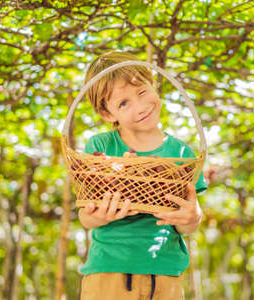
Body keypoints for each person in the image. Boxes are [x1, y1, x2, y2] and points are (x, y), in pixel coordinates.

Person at [78, 51, 207, 300]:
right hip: (109, 271)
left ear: (153, 84)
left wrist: (192, 217)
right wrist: (100, 217)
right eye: (123, 103)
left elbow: (188, 222)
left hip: (165, 274)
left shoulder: (181, 154)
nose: (140, 107)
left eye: (142, 92)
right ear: (108, 114)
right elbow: (86, 216)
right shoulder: (101, 147)